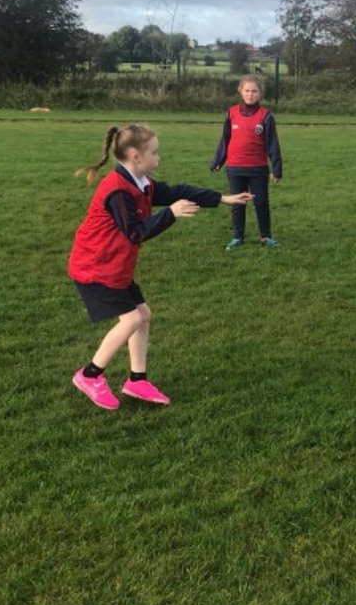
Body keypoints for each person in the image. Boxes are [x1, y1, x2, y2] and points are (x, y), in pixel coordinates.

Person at [68, 122, 252, 410]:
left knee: (143, 314)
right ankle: (90, 375)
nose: (158, 158)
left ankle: (137, 380)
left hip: (115, 265)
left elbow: (176, 191)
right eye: (154, 153)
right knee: (131, 320)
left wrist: (222, 198)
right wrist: (170, 214)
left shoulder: (140, 183)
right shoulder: (118, 190)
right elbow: (136, 232)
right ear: (134, 156)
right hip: (96, 267)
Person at [210, 75, 283, 249]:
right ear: (241, 92)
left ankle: (265, 237)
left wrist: (276, 168)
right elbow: (225, 139)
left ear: (260, 94)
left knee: (261, 202)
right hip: (235, 168)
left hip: (258, 169)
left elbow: (273, 144)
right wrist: (219, 160)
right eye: (247, 90)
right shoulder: (231, 113)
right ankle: (237, 237)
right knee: (237, 202)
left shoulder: (265, 116)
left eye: (254, 91)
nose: (250, 94)